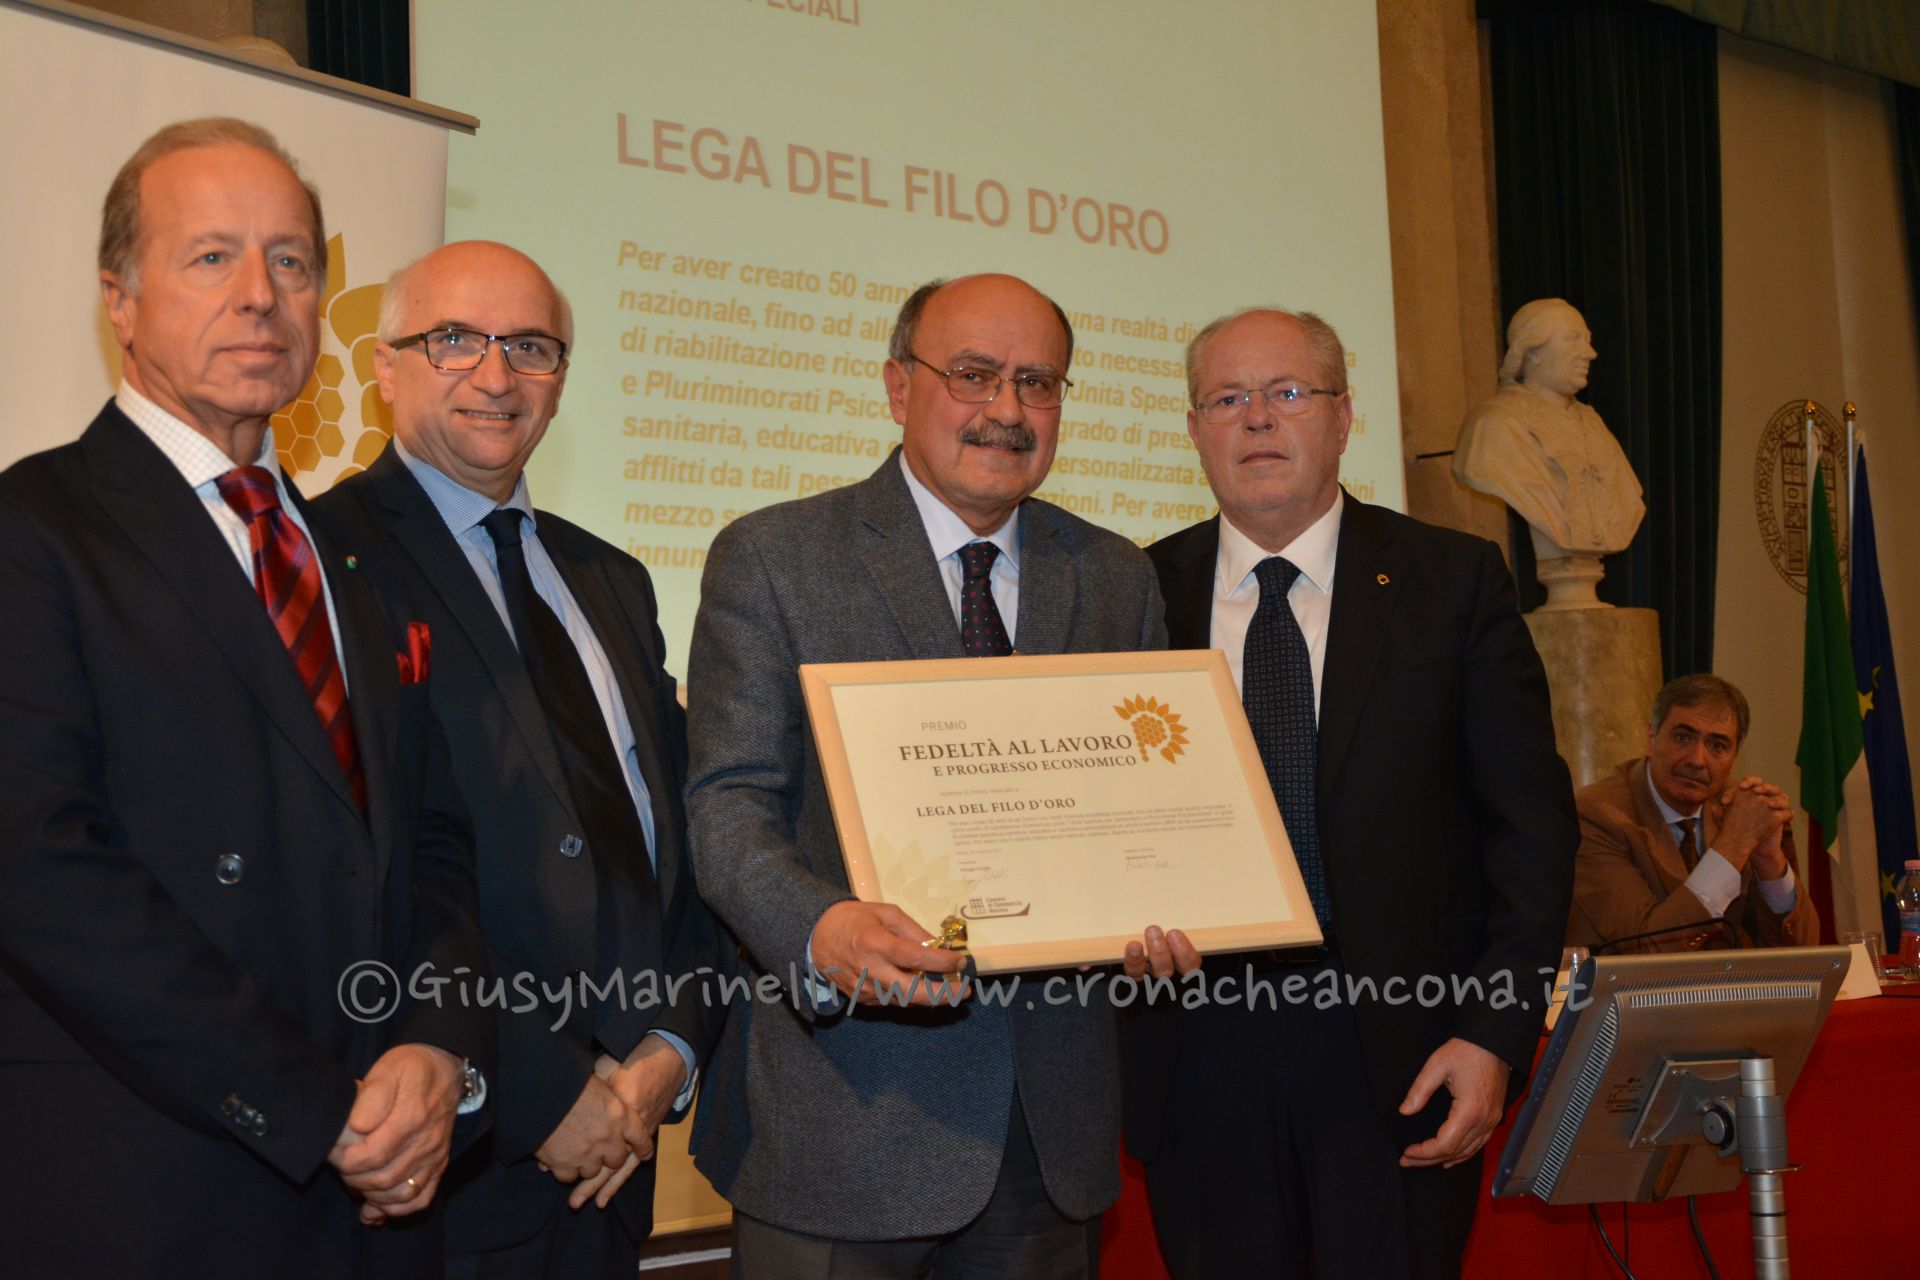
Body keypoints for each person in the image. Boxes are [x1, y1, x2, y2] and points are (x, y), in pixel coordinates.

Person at [0, 118, 488, 1278]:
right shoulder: (34, 531)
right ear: (120, 300)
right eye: (212, 256)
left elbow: (433, 843)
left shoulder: (354, 557)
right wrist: (318, 1106)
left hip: (380, 1197)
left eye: (292, 260)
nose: (261, 295)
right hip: (153, 1193)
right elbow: (42, 868)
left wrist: (439, 1046)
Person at [686, 273, 1183, 1278]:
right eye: (973, 374)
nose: (1007, 409)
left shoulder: (1115, 575)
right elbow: (728, 805)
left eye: (1038, 383)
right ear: (896, 385)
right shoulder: (775, 556)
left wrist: (1168, 904)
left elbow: (1146, 812)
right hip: (842, 1116)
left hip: (1048, 1132)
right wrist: (820, 928)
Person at [1121, 307, 1578, 1279]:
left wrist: (1494, 1033)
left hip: (1403, 1053)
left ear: (1342, 416)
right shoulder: (1133, 594)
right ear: (1196, 429)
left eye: (1287, 392)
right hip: (1198, 1059)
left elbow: (1531, 832)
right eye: (1227, 399)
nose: (1256, 418)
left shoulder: (1452, 580)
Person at [316, 241, 732, 1278]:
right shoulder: (327, 561)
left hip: (621, 1156)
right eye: (456, 340)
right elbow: (354, 873)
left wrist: (669, 1047)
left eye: (532, 347)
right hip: (445, 1171)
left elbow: (676, 836)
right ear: (383, 364)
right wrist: (543, 1092)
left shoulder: (613, 578)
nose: (497, 375)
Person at [1566, 674, 1818, 953]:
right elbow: (1648, 948)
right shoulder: (1595, 815)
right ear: (1651, 738)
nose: (1697, 760)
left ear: (1734, 756)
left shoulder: (1742, 809)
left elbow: (1802, 951)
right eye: (1683, 738)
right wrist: (1734, 843)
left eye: (1717, 745)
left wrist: (1768, 860)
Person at [1453, 297, 1644, 561]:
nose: (1590, 353)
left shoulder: (1593, 423)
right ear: (1533, 351)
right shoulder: (1493, 424)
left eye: (1587, 340)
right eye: (1573, 339)